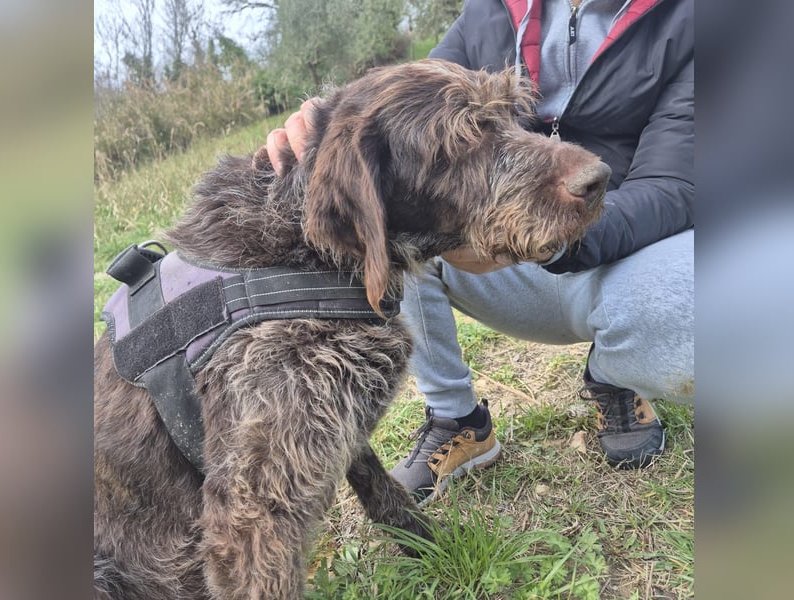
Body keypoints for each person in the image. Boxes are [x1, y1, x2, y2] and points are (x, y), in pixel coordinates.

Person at [266, 0, 694, 504]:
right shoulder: (492, 13)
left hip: (620, 254)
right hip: (496, 260)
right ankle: (457, 418)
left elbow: (674, 185)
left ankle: (612, 374)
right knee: (389, 220)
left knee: (689, 305)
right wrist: (320, 124)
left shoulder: (693, 21)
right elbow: (403, 108)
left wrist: (553, 244)